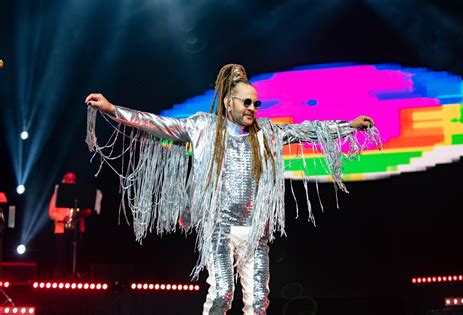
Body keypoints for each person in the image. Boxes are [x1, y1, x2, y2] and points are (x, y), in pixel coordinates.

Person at [85, 64, 380, 314]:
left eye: (256, 104)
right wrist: (113, 109)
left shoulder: (266, 133)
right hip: (219, 228)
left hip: (254, 230)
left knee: (258, 301)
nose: (253, 108)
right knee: (222, 292)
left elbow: (308, 130)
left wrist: (348, 126)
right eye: (246, 103)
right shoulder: (203, 127)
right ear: (229, 102)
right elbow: (157, 124)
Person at [48, 172, 92, 278]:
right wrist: (63, 218)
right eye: (68, 180)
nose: (71, 182)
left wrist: (82, 212)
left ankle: (76, 275)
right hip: (62, 228)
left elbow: (88, 211)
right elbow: (51, 212)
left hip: (77, 228)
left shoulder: (80, 194)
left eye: (73, 180)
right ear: (64, 181)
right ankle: (60, 278)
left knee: (76, 254)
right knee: (61, 255)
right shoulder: (57, 194)